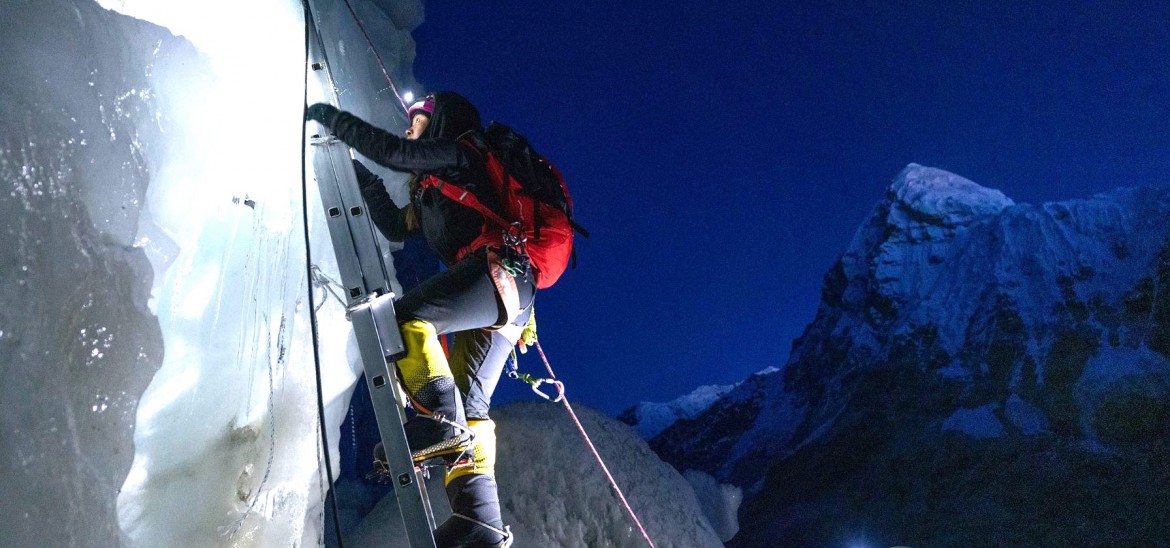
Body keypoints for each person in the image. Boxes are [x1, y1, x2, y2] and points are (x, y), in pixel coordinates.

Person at [306, 92, 529, 548]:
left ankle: (442, 425)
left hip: (498, 274)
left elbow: (398, 153)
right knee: (472, 409)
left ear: (442, 120)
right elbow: (394, 225)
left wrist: (332, 120)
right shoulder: (434, 193)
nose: (410, 126)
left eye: (419, 119)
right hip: (502, 291)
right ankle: (479, 520)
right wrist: (354, 172)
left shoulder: (462, 152)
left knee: (405, 317)